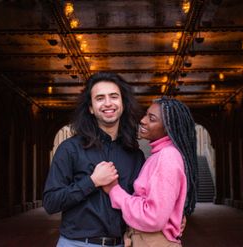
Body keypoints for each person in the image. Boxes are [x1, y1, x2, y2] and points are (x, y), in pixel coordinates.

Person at [43, 72, 145, 247]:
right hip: (76, 243)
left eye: (114, 96)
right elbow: (51, 203)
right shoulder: (70, 149)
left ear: (122, 103)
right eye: (100, 98)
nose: (108, 103)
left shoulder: (135, 155)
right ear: (90, 107)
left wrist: (172, 219)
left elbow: (142, 201)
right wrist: (92, 181)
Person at [102, 97, 198, 247]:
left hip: (154, 241)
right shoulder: (159, 155)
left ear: (168, 127)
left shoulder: (167, 157)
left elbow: (153, 217)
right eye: (146, 114)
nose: (143, 120)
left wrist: (114, 191)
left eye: (151, 118)